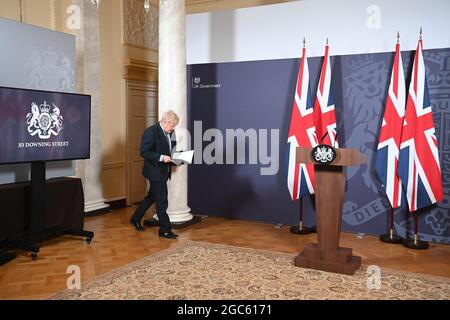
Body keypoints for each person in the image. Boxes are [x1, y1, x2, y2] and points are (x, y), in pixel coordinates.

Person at [130, 111, 179, 239]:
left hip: (164, 171)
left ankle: (135, 218)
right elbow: (144, 152)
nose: (174, 128)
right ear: (165, 122)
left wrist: (178, 158)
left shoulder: (171, 132)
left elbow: (172, 150)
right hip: (154, 172)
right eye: (172, 125)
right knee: (162, 201)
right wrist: (162, 158)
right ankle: (165, 230)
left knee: (151, 197)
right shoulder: (151, 131)